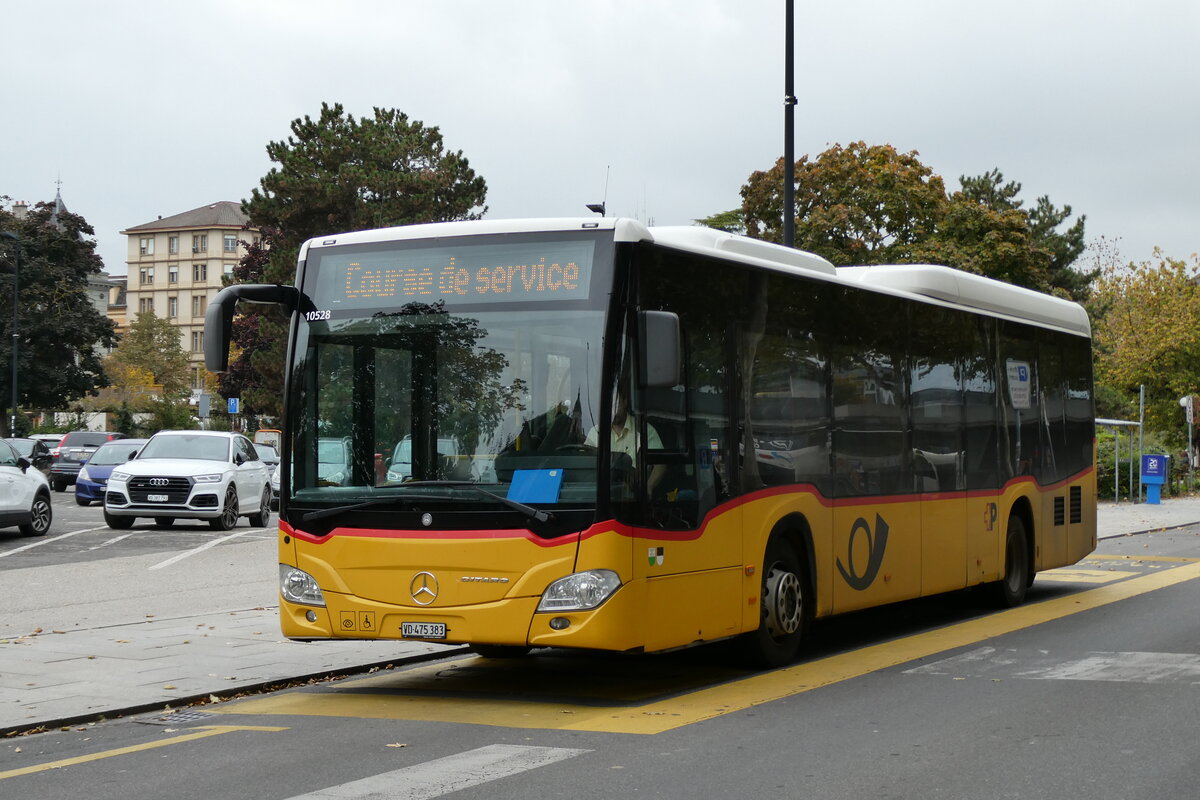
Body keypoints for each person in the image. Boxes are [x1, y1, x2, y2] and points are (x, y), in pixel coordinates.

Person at [585, 387, 666, 495]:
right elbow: (584, 465)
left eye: (616, 404)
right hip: (600, 496)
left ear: (625, 401)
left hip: (632, 496)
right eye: (609, 405)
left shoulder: (644, 430)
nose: (613, 411)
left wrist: (649, 486)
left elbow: (660, 464)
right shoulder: (595, 432)